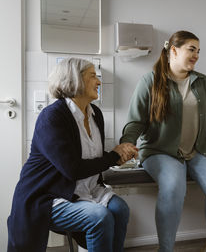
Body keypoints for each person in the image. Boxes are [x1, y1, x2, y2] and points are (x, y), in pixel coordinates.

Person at [120, 30, 206, 252]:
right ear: (173, 50)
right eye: (192, 49)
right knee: (173, 186)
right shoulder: (149, 81)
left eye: (198, 51)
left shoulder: (203, 83)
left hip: (199, 150)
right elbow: (136, 122)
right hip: (160, 151)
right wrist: (126, 145)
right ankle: (166, 249)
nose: (196, 55)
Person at [7, 58, 138, 252]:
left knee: (120, 210)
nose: (99, 82)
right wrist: (113, 156)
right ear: (75, 79)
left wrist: (121, 154)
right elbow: (72, 168)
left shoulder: (96, 114)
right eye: (93, 76)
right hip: (48, 195)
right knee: (99, 217)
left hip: (83, 190)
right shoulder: (52, 116)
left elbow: (90, 155)